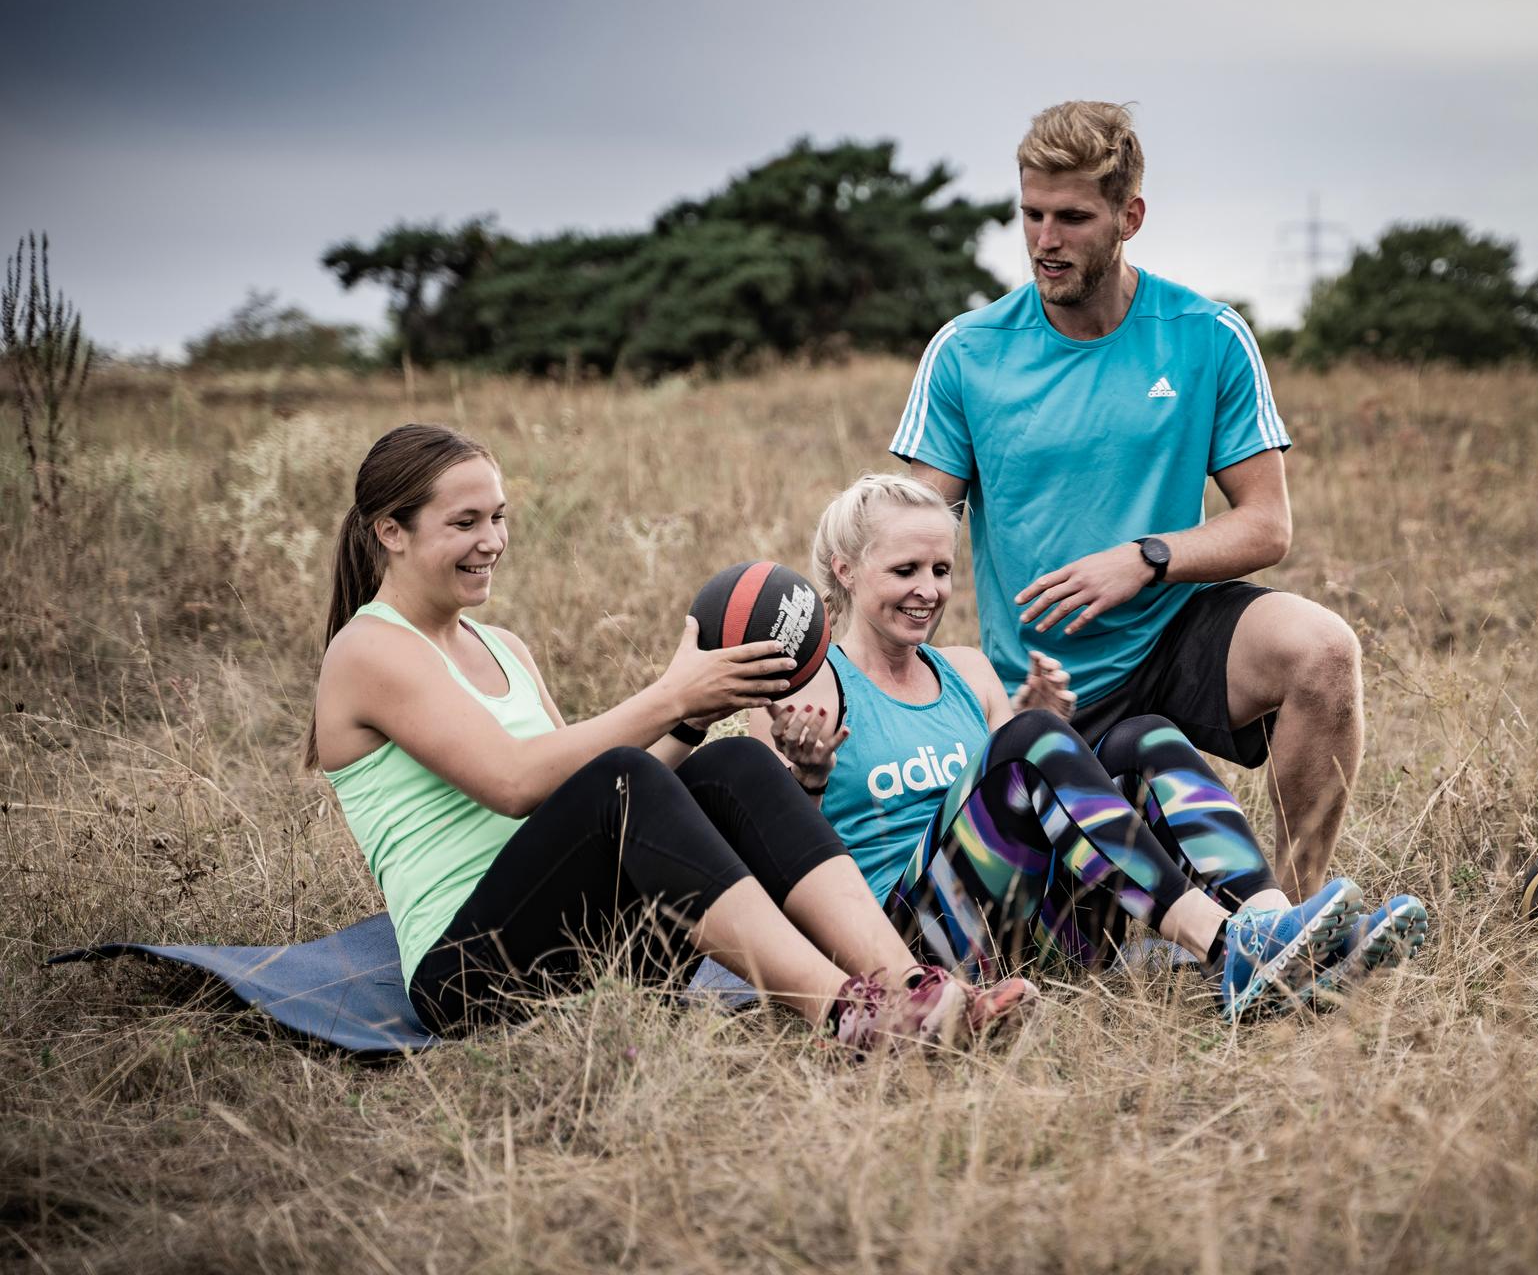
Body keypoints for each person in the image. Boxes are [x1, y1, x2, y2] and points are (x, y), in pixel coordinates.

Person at [888, 101, 1427, 974]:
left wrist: (1146, 558)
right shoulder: (967, 352)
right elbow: (909, 530)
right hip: (1050, 680)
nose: (1045, 240)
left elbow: (1266, 524)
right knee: (1099, 832)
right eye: (1031, 214)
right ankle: (1243, 936)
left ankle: (1289, 927)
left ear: (1129, 218)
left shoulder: (1206, 337)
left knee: (1324, 651)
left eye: (1072, 216)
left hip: (1168, 632)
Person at [307, 423, 1031, 1057]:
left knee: (733, 760)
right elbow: (516, 782)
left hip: (591, 949)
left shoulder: (503, 648)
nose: (491, 541)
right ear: (390, 532)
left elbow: (591, 815)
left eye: (498, 517)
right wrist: (671, 694)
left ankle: (912, 986)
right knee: (620, 776)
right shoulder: (370, 651)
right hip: (471, 978)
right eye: (464, 523)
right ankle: (848, 1015)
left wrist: (690, 720)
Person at [751, 474, 1412, 1019]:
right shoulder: (805, 690)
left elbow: (1005, 812)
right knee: (1030, 740)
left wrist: (1043, 729)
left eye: (942, 569)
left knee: (1138, 736)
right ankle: (1225, 946)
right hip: (906, 947)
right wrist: (806, 779)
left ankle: (1275, 928)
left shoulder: (967, 671)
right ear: (845, 569)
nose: (929, 589)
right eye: (905, 569)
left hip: (1037, 934)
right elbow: (785, 867)